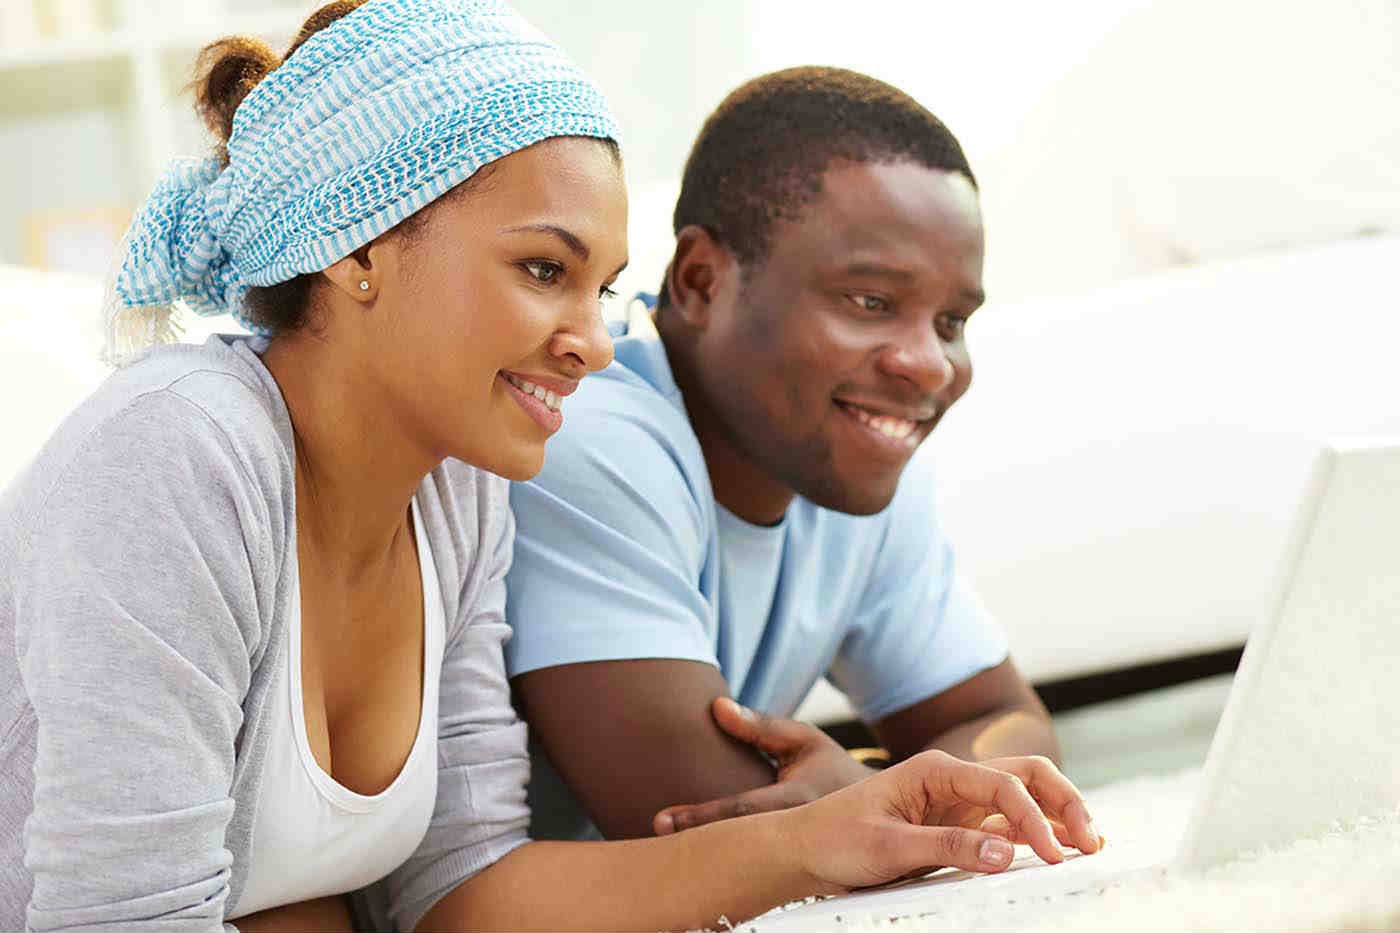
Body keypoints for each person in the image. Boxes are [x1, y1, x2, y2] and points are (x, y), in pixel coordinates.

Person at [0, 3, 1099, 931]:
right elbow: (119, 915)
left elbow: (463, 889)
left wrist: (826, 837)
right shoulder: (179, 452)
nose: (595, 338)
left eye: (599, 285)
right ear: (358, 248)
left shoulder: (460, 488)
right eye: (542, 269)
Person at [507, 66, 1066, 843]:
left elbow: (1006, 723)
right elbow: (695, 824)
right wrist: (908, 799)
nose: (931, 365)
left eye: (951, 320)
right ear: (701, 279)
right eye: (871, 302)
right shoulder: (584, 434)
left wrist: (888, 797)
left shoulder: (853, 469)